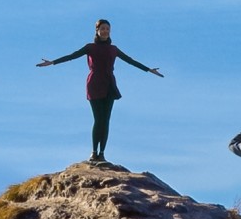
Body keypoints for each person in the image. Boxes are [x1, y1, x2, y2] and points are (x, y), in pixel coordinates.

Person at [36, 19, 161, 164]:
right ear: (97, 30)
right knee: (98, 119)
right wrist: (52, 62)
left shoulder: (113, 49)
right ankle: (94, 152)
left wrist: (149, 69)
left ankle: (102, 154)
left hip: (109, 85)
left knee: (106, 120)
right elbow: (72, 56)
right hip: (94, 84)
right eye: (102, 28)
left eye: (107, 29)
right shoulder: (90, 47)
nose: (105, 31)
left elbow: (130, 61)